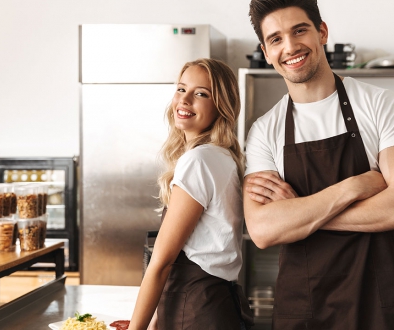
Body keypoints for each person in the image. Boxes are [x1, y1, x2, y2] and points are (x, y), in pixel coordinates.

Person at [243, 0, 394, 329]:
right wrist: (353, 187)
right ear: (266, 52)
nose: (290, 47)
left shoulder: (381, 104)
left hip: (378, 304)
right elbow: (264, 230)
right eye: (276, 39)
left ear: (322, 32)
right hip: (303, 310)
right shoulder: (264, 131)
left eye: (299, 31)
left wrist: (297, 213)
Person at [128, 58, 254, 330]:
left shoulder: (199, 161)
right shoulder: (223, 158)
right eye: (181, 89)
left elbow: (161, 263)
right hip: (213, 307)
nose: (184, 100)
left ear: (221, 107)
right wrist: (155, 321)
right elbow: (200, 248)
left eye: (201, 94)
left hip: (196, 314)